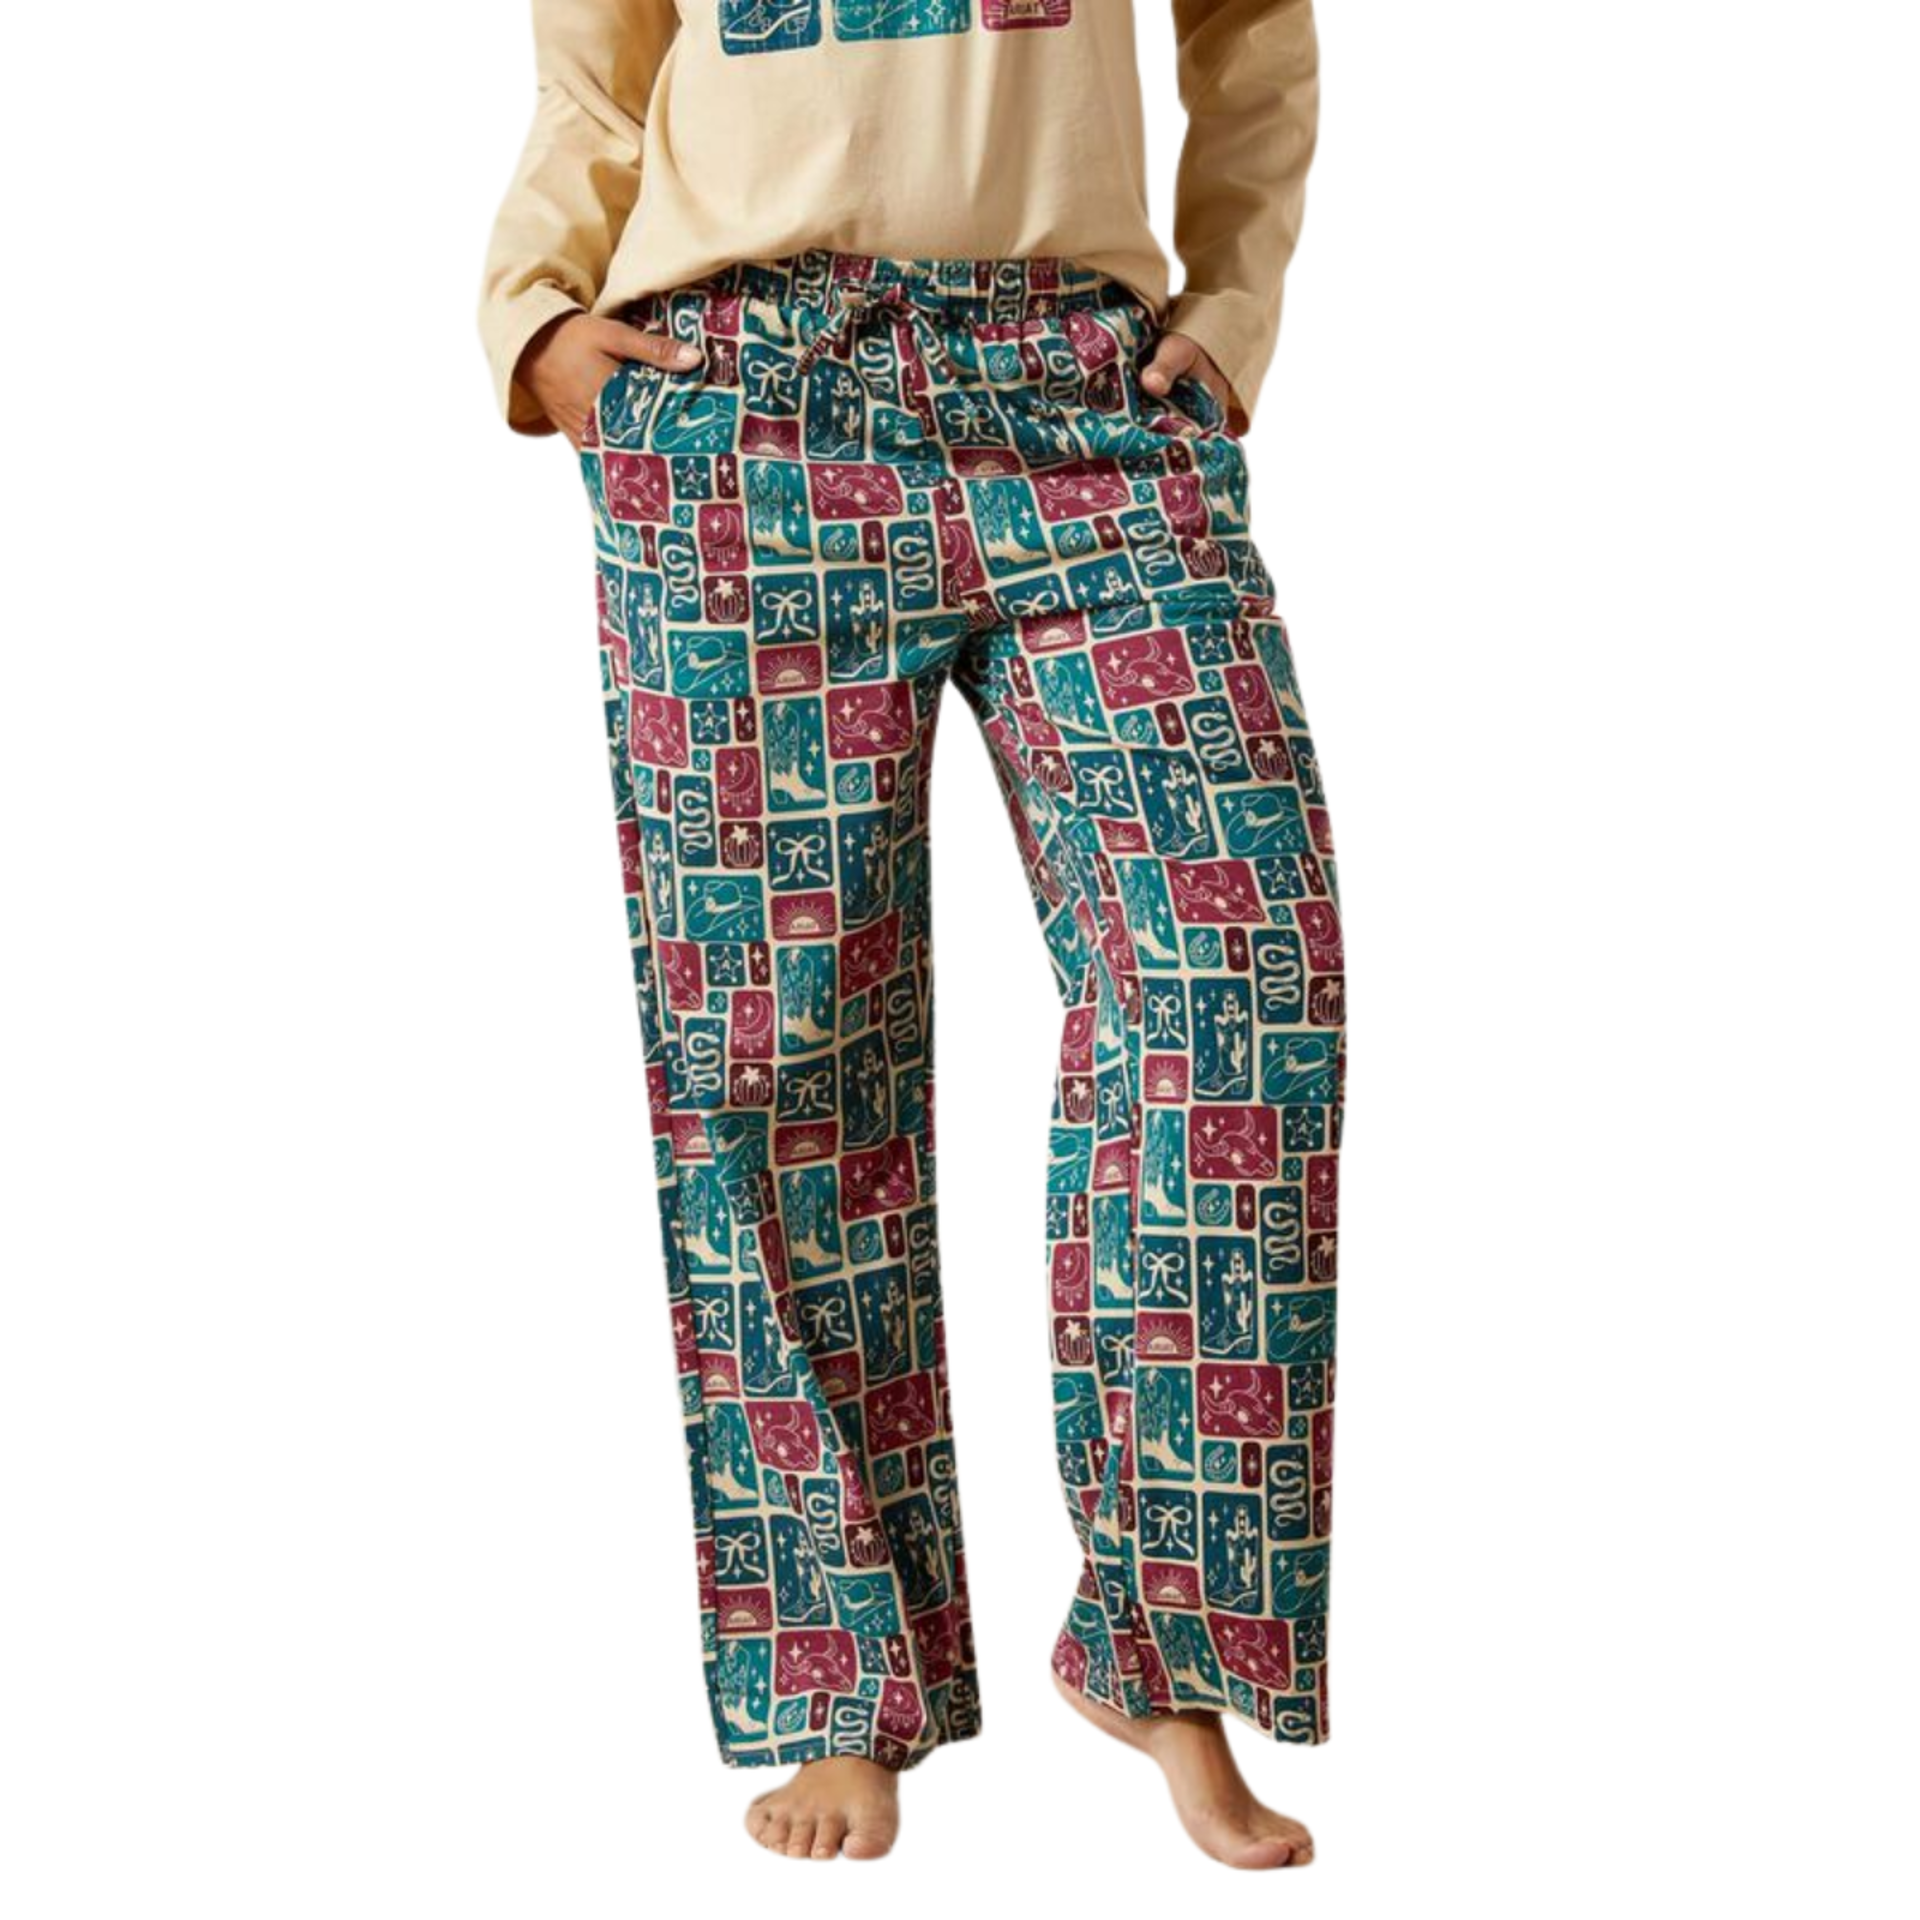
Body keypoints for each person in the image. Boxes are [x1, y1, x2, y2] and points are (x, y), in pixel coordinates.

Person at [477, 0, 1342, 1871]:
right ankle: (839, 1677)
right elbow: (595, 63)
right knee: (781, 1053)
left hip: (1081, 389)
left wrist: (1232, 310)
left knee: (1236, 985)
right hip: (744, 395)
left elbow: (1254, 31)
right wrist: (537, 321)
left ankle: (1166, 1645)